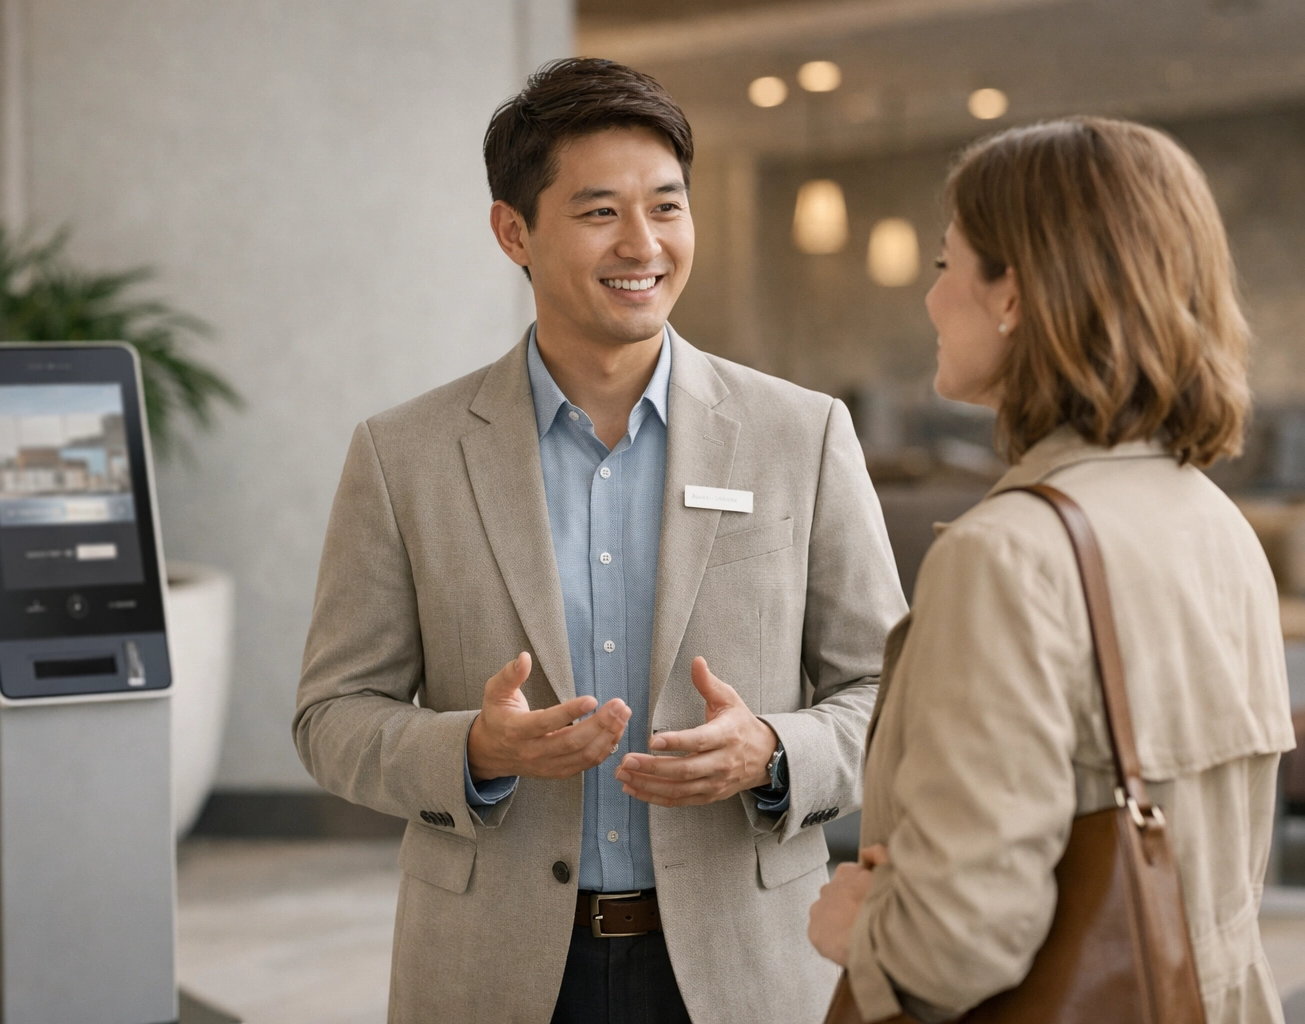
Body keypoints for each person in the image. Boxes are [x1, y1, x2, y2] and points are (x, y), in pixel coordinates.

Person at [294, 58, 906, 1024]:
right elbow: (331, 716)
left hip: (747, 971)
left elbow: (896, 701)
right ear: (514, 232)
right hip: (493, 974)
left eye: (667, 207)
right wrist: (474, 749)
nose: (644, 245)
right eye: (598, 213)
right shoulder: (402, 454)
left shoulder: (803, 434)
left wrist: (775, 751)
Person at [807, 116, 1297, 1024]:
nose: (931, 299)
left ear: (1014, 296)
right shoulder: (1216, 524)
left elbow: (956, 945)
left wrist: (856, 932)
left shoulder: (1005, 559)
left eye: (946, 264)